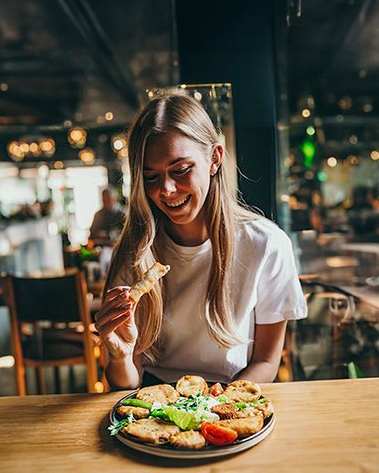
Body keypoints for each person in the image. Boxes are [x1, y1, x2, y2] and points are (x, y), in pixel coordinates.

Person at [94, 93, 307, 389]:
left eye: (180, 170)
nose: (166, 190)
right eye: (151, 177)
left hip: (231, 392)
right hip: (154, 395)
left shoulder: (267, 244)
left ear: (214, 159)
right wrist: (120, 357)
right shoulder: (137, 251)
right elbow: (127, 383)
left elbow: (266, 362)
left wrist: (214, 407)